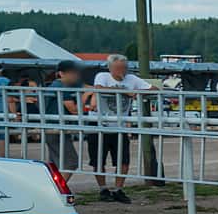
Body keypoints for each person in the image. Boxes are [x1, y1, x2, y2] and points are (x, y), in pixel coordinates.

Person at [88, 53, 152, 202]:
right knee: (98, 160)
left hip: (120, 125)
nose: (121, 71)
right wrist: (124, 91)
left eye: (123, 68)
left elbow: (154, 89)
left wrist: (137, 92)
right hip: (99, 124)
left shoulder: (132, 79)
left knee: (123, 160)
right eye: (117, 68)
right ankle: (103, 189)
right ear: (110, 68)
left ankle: (118, 189)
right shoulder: (102, 76)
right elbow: (99, 88)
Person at [44, 60, 85, 171]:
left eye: (76, 73)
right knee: (71, 163)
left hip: (56, 128)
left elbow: (89, 86)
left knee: (56, 165)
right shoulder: (61, 87)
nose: (75, 75)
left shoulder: (64, 85)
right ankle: (56, 183)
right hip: (55, 129)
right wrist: (85, 95)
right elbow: (74, 110)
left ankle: (52, 182)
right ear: (61, 73)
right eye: (72, 73)